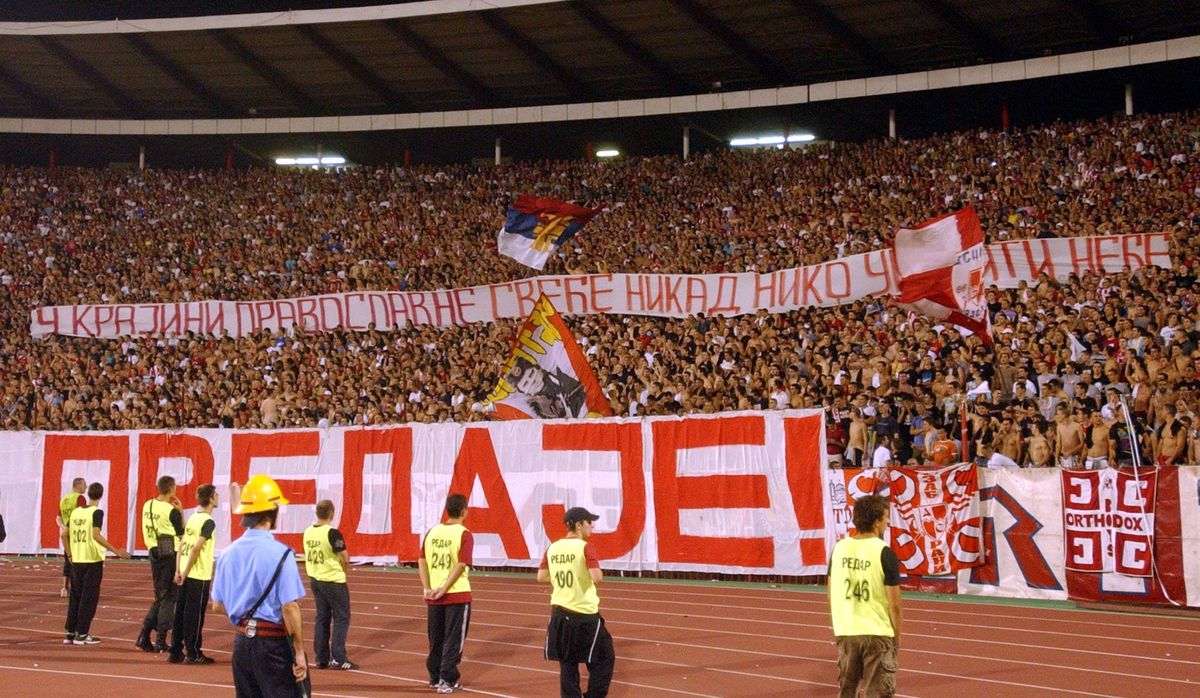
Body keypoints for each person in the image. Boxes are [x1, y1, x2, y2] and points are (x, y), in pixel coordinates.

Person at [210, 475, 310, 698]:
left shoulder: (226, 555)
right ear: (272, 511)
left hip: (242, 645)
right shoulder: (282, 554)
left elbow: (217, 606)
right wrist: (300, 652)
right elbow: (289, 608)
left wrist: (245, 616)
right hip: (273, 645)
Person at [828, 494, 903, 698]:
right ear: (877, 522)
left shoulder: (839, 548)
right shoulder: (884, 552)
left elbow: (831, 590)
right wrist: (896, 637)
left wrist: (840, 621)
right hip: (877, 632)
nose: (888, 522)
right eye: (886, 517)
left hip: (847, 630)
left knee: (847, 691)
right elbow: (894, 605)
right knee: (877, 692)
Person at [538, 506, 614, 698]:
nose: (592, 526)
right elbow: (597, 577)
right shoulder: (585, 547)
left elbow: (541, 576)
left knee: (568, 663)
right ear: (578, 525)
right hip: (585, 614)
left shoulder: (553, 547)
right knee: (605, 657)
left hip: (560, 614)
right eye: (589, 522)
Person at [62, 482, 131, 645]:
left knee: (75, 597)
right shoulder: (97, 512)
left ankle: (70, 633)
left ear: (88, 494)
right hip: (92, 560)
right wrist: (116, 551)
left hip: (77, 560)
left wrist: (70, 554)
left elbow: (64, 534)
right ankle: (83, 634)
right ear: (101, 495)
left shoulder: (76, 512)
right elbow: (95, 534)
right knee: (89, 598)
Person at [418, 493, 474, 694]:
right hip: (456, 594)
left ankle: (434, 676)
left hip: (433, 595)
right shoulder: (464, 534)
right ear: (464, 511)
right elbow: (461, 564)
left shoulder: (432, 532)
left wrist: (428, 587)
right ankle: (447, 679)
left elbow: (422, 560)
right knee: (453, 639)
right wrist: (445, 588)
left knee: (436, 638)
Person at [303, 499, 357, 671]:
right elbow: (345, 557)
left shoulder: (308, 532)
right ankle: (339, 657)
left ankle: (321, 658)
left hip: (315, 579)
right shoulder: (332, 533)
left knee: (322, 618)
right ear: (332, 514)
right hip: (333, 580)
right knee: (342, 617)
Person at [169, 483, 218, 664]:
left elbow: (182, 544)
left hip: (184, 572)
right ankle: (193, 652)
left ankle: (175, 650)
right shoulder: (208, 521)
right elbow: (197, 548)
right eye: (216, 495)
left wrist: (178, 570)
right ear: (211, 499)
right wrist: (187, 570)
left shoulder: (193, 518)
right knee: (194, 616)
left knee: (180, 613)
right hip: (198, 575)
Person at [137, 476, 185, 653]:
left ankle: (144, 635)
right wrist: (180, 512)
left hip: (153, 551)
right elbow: (181, 533)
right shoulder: (170, 510)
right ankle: (160, 639)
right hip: (169, 553)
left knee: (160, 596)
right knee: (169, 597)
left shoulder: (147, 505)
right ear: (172, 489)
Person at [57, 477, 87, 598]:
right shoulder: (79, 498)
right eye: (84, 485)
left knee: (68, 560)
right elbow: (83, 515)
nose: (86, 487)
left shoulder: (64, 499)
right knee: (79, 561)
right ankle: (77, 589)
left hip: (67, 534)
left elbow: (58, 517)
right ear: (78, 485)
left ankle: (65, 588)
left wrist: (64, 527)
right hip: (77, 534)